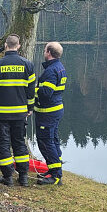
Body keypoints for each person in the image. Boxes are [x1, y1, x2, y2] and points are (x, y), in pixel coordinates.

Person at [0, 34, 36, 186]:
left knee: (3, 143)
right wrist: (30, 107)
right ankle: (23, 177)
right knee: (19, 143)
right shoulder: (28, 64)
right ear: (19, 46)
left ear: (6, 46)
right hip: (20, 113)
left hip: (1, 113)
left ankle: (8, 177)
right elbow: (31, 90)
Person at [34, 42, 67, 185]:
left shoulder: (51, 71)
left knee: (46, 142)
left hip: (48, 112)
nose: (43, 52)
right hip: (55, 110)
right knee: (53, 140)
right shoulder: (60, 68)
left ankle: (56, 176)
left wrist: (31, 91)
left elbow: (46, 93)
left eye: (44, 50)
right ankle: (53, 170)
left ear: (49, 52)